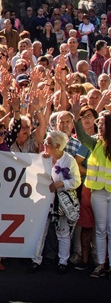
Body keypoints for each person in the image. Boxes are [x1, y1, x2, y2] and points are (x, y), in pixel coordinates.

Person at [30, 130, 82, 273]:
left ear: (57, 146)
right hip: (43, 200)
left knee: (63, 232)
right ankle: (36, 260)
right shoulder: (42, 158)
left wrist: (61, 184)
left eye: (48, 143)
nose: (45, 145)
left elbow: (76, 180)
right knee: (41, 230)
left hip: (61, 202)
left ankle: (63, 261)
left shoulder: (69, 160)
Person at [74, 105, 111, 277]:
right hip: (98, 192)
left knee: (110, 230)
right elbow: (81, 136)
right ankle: (101, 264)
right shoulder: (94, 142)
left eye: (102, 123)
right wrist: (76, 117)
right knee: (100, 229)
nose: (99, 126)